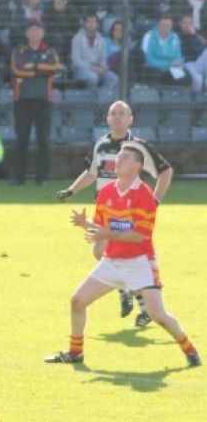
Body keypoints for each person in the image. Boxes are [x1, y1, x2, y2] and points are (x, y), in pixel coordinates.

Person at [45, 144, 201, 368]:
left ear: (137, 166)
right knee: (77, 301)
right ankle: (75, 352)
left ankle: (189, 349)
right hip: (112, 261)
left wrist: (105, 233)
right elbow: (101, 226)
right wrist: (85, 224)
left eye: (124, 158)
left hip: (140, 263)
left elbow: (139, 236)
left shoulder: (144, 195)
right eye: (118, 157)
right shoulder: (107, 192)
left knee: (159, 317)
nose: (117, 161)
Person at [56, 100, 173, 328]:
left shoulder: (138, 147)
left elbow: (166, 170)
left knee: (104, 251)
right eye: (113, 113)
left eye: (122, 113)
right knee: (105, 253)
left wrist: (155, 200)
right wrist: (72, 189)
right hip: (106, 211)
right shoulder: (101, 144)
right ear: (107, 119)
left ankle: (132, 294)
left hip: (129, 212)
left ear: (131, 119)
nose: (117, 117)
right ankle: (139, 301)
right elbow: (92, 173)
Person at [10, 20, 60, 186]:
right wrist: (40, 72)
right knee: (22, 140)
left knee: (43, 141)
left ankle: (43, 178)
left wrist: (34, 66)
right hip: (22, 100)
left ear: (42, 33)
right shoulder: (19, 50)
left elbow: (54, 68)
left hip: (44, 101)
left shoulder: (50, 51)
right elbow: (17, 69)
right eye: (31, 30)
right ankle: (19, 178)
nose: (34, 33)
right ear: (26, 33)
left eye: (37, 30)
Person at [71, 12, 118, 89]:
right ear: (84, 23)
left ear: (97, 24)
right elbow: (76, 60)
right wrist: (91, 68)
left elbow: (103, 58)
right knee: (93, 77)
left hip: (97, 68)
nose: (91, 24)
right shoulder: (77, 38)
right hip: (80, 69)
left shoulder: (101, 39)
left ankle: (101, 97)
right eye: (89, 21)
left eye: (93, 21)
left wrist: (103, 67)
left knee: (113, 78)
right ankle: (91, 100)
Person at [141, 13, 189, 86]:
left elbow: (178, 57)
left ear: (171, 26)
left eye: (167, 26)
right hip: (154, 68)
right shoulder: (149, 36)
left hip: (171, 68)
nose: (165, 28)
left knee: (186, 76)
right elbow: (148, 60)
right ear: (158, 25)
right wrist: (168, 64)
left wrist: (178, 62)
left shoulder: (175, 37)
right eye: (162, 25)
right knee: (155, 74)